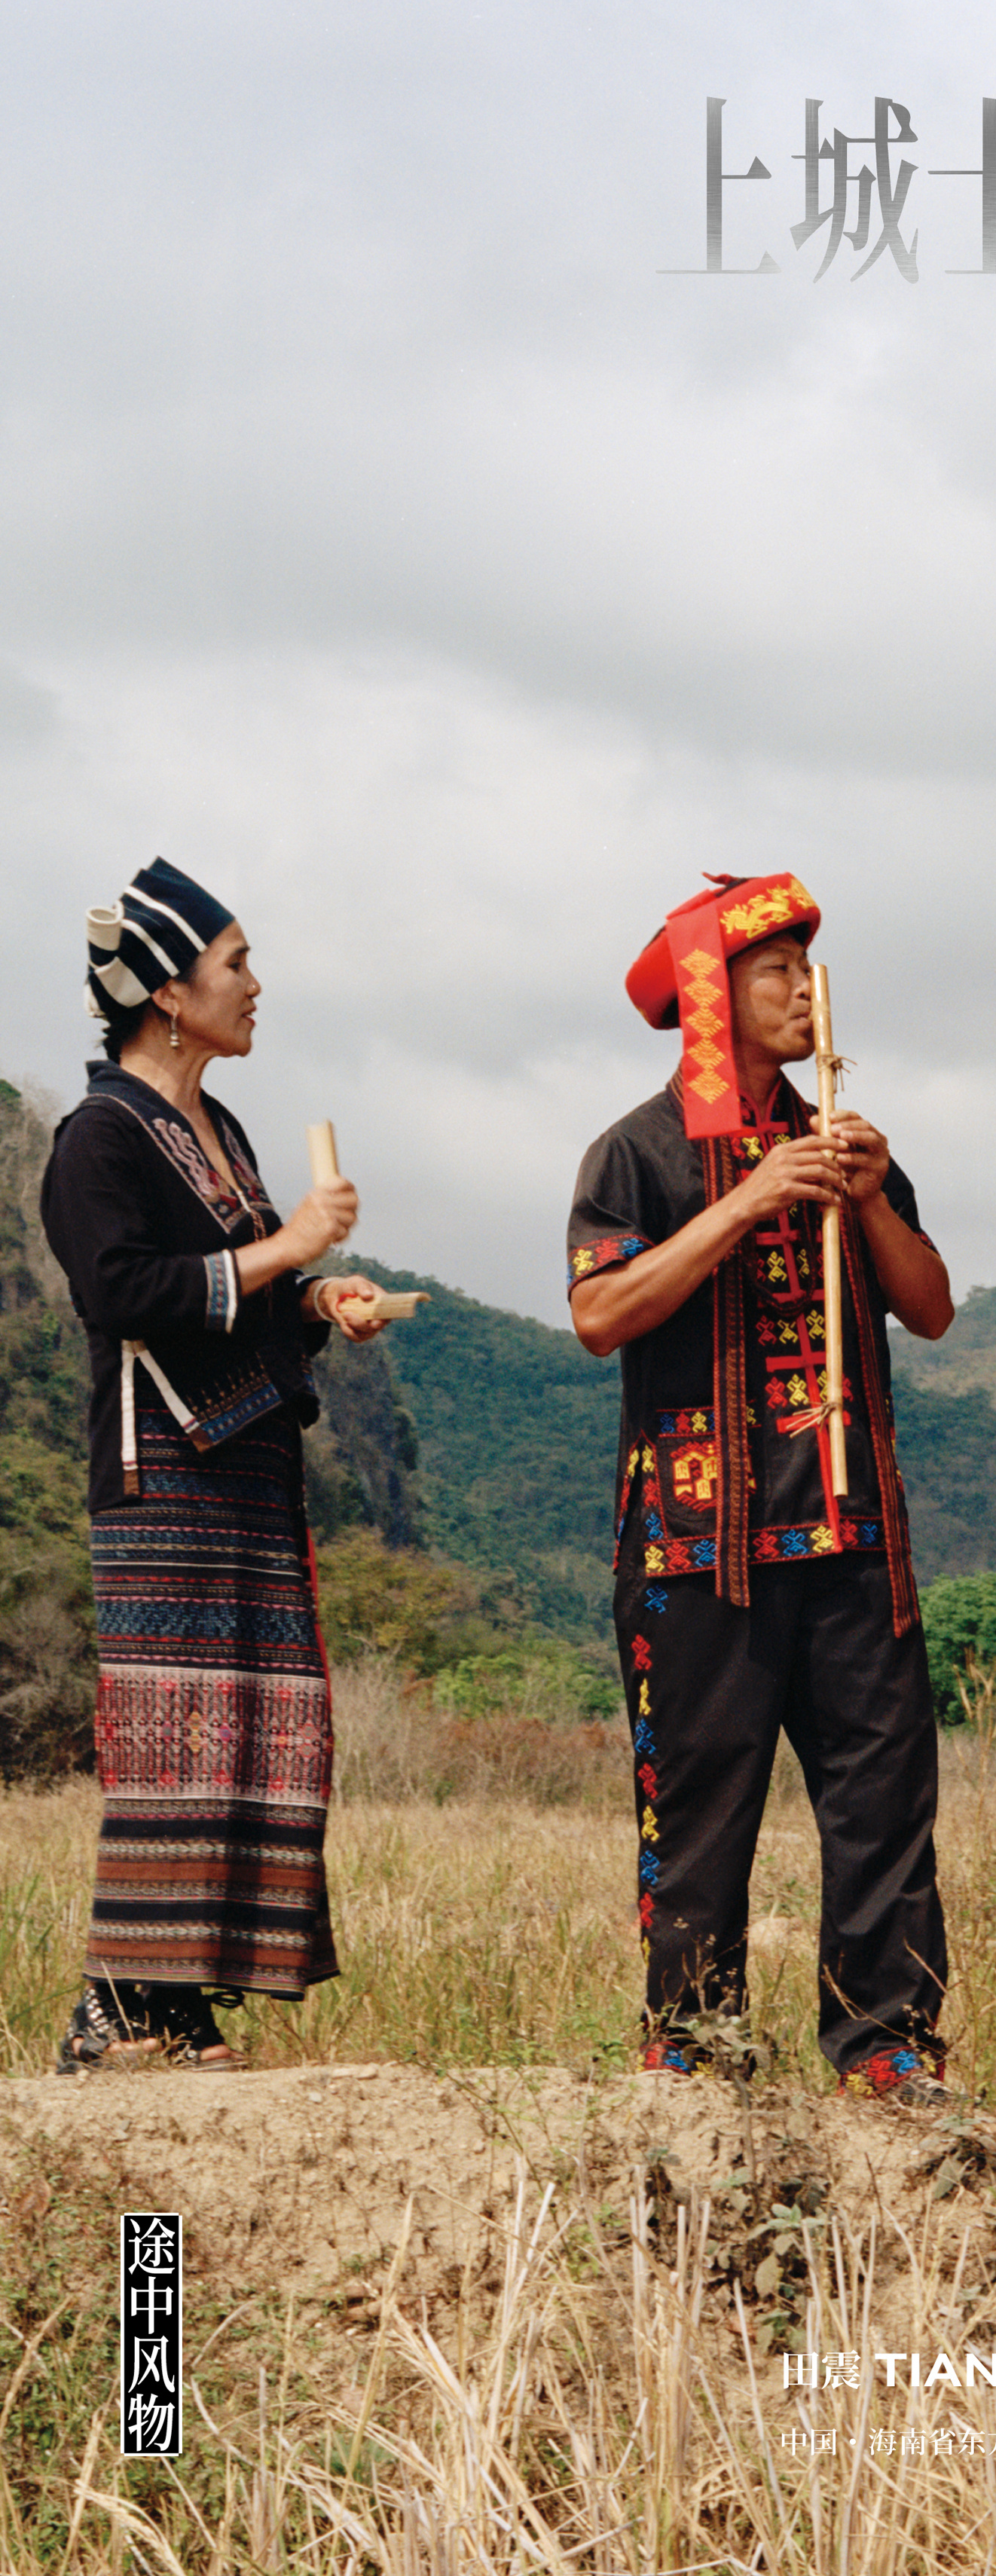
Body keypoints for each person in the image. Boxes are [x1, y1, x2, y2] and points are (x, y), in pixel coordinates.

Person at [567, 870, 955, 2099]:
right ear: (711, 998)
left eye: (805, 967)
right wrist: (746, 1202)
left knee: (884, 1808)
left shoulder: (845, 1134)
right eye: (776, 970)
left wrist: (862, 1196)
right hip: (694, 1548)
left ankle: (885, 2045)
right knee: (697, 1817)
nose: (804, 990)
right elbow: (599, 1313)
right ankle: (694, 2050)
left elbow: (931, 1307)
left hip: (851, 1533)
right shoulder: (631, 1151)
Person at [41, 857, 384, 2073]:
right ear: (168, 994)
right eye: (235, 962)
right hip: (161, 1471)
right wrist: (290, 1241)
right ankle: (119, 2002)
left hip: (244, 1464)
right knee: (173, 1727)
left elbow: (248, 1297)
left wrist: (318, 1296)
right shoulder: (98, 1137)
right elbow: (119, 1293)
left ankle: (181, 2004)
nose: (255, 985)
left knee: (254, 1724)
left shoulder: (217, 1125)